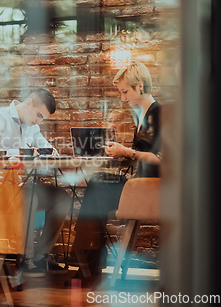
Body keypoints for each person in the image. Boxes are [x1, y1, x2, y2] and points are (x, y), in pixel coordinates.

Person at [69, 61, 161, 286]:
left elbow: (161, 158)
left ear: (139, 86)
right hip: (140, 185)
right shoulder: (144, 115)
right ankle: (87, 263)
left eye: (124, 91)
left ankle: (86, 263)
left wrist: (128, 152)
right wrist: (123, 153)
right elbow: (143, 154)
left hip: (150, 189)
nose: (122, 98)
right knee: (97, 184)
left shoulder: (158, 114)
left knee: (97, 186)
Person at [0, 88, 72, 276]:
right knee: (29, 196)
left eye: (43, 119)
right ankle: (25, 260)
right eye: (38, 115)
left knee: (63, 199)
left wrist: (51, 152)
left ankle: (39, 257)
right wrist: (22, 153)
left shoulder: (32, 126)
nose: (39, 121)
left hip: (20, 185)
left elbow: (44, 145)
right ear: (29, 102)